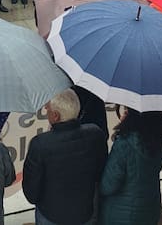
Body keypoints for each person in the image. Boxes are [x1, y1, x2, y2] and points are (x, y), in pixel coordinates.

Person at [23, 89, 109, 225]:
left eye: (48, 107)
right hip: (85, 213)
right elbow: (100, 173)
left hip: (50, 216)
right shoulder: (96, 133)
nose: (45, 108)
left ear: (56, 116)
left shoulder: (40, 144)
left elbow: (31, 193)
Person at [99, 108, 162, 225]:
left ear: (132, 116)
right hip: (150, 207)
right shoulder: (159, 137)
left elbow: (108, 186)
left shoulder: (124, 143)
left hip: (121, 215)